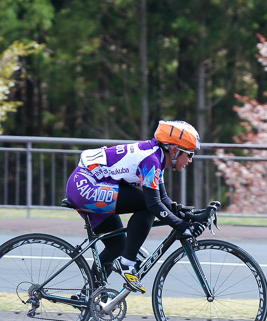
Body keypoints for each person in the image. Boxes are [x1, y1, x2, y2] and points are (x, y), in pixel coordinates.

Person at [64, 120, 206, 293]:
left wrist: (189, 216)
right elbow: (153, 204)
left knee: (117, 246)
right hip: (86, 187)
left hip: (92, 183)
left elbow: (163, 199)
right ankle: (127, 264)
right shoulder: (151, 161)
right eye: (190, 154)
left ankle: (89, 297)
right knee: (146, 205)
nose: (191, 160)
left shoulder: (156, 156)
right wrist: (182, 226)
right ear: (175, 150)